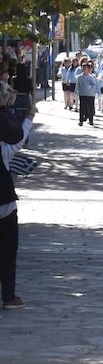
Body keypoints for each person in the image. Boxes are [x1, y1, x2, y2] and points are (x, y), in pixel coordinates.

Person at [0, 92, 34, 309]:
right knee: (7, 252)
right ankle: (9, 296)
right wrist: (29, 117)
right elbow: (18, 139)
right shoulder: (3, 149)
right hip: (4, 205)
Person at [75, 61, 99, 127]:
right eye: (83, 68)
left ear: (89, 69)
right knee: (82, 108)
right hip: (82, 94)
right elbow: (77, 85)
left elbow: (95, 85)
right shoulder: (79, 77)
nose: (84, 70)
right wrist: (76, 92)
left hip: (90, 94)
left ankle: (91, 120)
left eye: (86, 68)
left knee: (90, 108)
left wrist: (96, 92)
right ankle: (81, 120)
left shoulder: (92, 77)